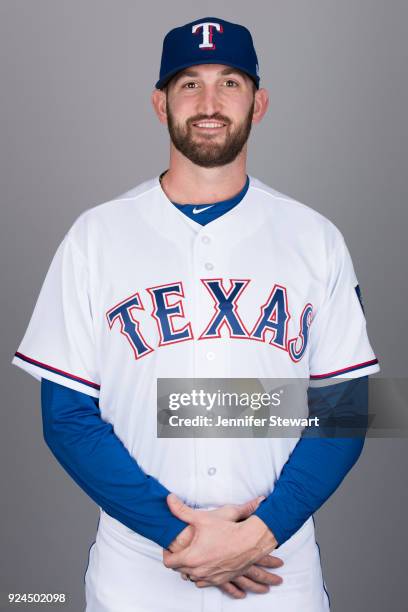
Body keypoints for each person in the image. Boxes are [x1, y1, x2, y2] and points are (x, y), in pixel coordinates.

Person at [12, 16, 379, 611]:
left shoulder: (315, 239)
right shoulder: (96, 237)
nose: (209, 102)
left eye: (229, 82)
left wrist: (258, 534)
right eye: (189, 84)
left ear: (258, 103)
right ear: (160, 104)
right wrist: (183, 536)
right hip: (140, 570)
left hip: (276, 570)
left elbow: (344, 410)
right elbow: (67, 418)